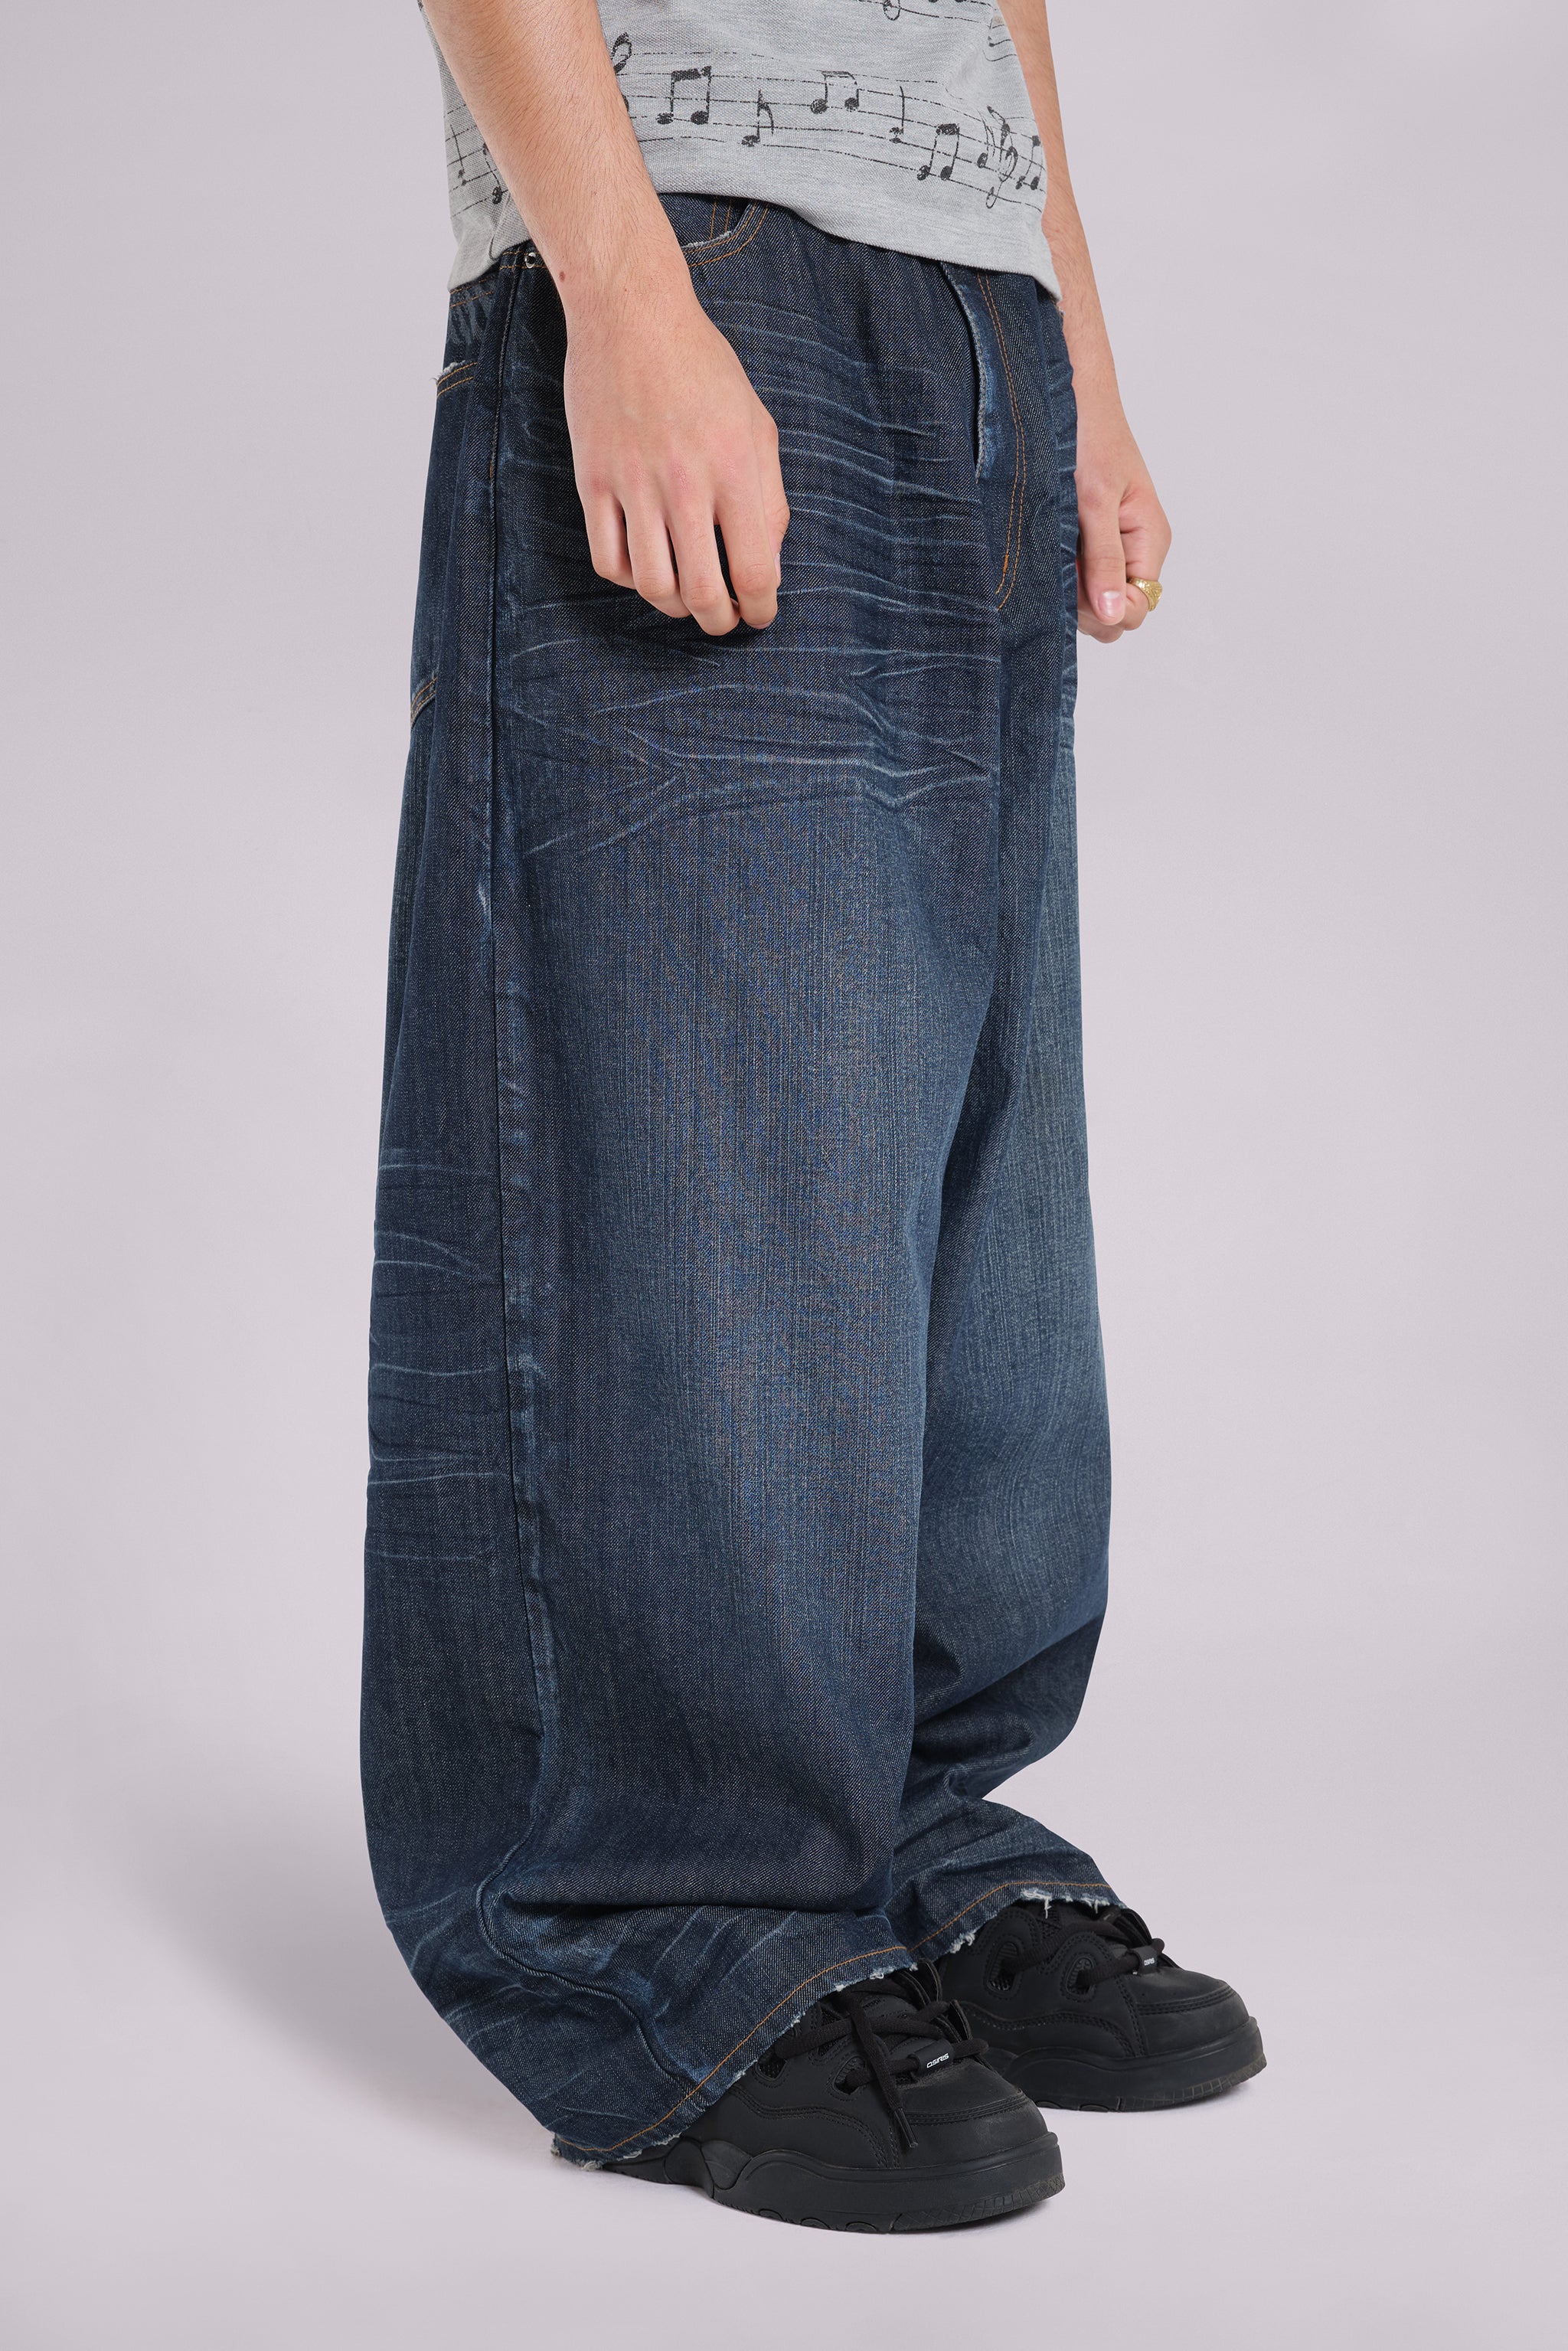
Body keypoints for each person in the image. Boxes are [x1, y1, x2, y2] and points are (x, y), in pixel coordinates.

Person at [362, 0, 1263, 2232]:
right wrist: (622, 295)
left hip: (968, 305)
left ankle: (915, 1824)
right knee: (710, 1153)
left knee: (967, 1162)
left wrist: (1077, 355)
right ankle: (661, 1900)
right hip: (695, 245)